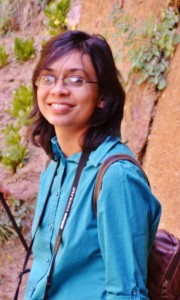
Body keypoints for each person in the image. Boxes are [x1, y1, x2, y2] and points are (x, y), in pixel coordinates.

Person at [24, 30, 161, 300]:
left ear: (103, 97)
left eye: (76, 79)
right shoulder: (54, 166)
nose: (58, 89)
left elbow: (126, 294)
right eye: (48, 77)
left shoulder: (116, 177)